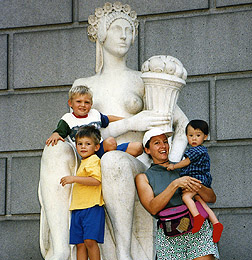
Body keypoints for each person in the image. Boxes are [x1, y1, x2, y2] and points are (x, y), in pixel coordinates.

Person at [39, 2, 189, 260]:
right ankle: (62, 249)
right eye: (117, 28)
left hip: (133, 161)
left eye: (129, 30)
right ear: (101, 34)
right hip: (88, 158)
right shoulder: (84, 85)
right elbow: (78, 131)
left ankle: (124, 253)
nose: (124, 35)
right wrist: (131, 122)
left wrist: (171, 164)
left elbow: (182, 124)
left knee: (113, 160)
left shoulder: (142, 79)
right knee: (54, 150)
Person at [135, 127, 219, 260]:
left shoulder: (184, 167)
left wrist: (196, 185)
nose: (163, 146)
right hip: (170, 234)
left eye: (165, 141)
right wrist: (175, 184)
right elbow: (152, 208)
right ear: (147, 150)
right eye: (157, 143)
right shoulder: (144, 177)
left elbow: (211, 198)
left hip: (197, 230)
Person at [45, 85, 143, 158]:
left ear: (91, 104)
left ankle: (111, 163)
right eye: (78, 101)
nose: (83, 105)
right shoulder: (67, 119)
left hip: (100, 149)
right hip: (86, 153)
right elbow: (59, 131)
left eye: (86, 102)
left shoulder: (94, 114)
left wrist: (128, 121)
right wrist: (55, 134)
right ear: (70, 103)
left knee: (137, 147)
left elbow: (108, 119)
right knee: (110, 142)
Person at [166, 120, 223, 243]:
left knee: (186, 197)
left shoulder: (196, 150)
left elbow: (186, 162)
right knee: (201, 201)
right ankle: (216, 223)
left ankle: (197, 217)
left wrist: (174, 166)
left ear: (205, 136)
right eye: (191, 135)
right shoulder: (200, 150)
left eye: (198, 135)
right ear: (186, 136)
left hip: (197, 179)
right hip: (201, 179)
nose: (194, 139)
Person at [60, 125, 104, 260]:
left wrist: (74, 179)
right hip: (77, 208)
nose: (83, 147)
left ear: (96, 147)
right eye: (79, 144)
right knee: (79, 244)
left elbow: (96, 180)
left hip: (92, 207)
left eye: (88, 144)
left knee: (90, 241)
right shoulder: (82, 162)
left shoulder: (93, 160)